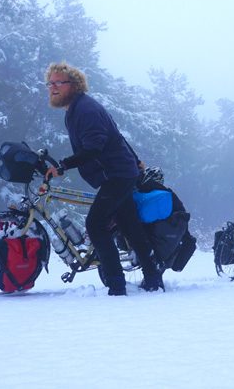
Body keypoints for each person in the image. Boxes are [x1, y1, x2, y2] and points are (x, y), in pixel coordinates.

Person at [42, 62, 164, 295]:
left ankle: (116, 284)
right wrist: (136, 160)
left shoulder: (85, 110)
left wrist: (63, 165)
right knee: (130, 227)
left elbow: (94, 148)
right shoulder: (77, 109)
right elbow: (116, 134)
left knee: (95, 224)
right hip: (120, 173)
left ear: (74, 85)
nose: (53, 87)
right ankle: (152, 278)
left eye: (59, 82)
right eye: (50, 83)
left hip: (116, 175)